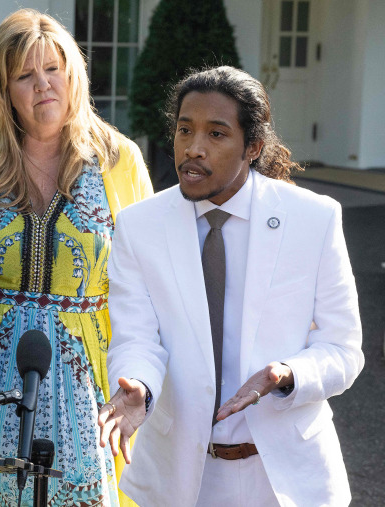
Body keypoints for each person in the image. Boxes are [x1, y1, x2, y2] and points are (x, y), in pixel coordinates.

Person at [0, 8, 153, 507]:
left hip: (89, 378)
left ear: (73, 75)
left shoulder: (119, 159)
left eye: (53, 69)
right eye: (24, 75)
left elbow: (151, 277)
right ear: (3, 91)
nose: (43, 85)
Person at [98, 65, 364, 506]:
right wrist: (138, 389)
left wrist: (288, 373)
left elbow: (343, 349)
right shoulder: (138, 227)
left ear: (253, 146)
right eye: (185, 130)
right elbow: (136, 338)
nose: (193, 149)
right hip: (182, 477)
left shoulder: (314, 220)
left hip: (284, 478)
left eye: (216, 134)